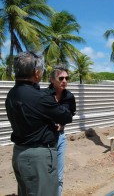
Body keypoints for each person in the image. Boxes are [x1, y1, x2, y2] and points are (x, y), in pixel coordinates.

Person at [5, 52, 73, 196]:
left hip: (20, 153)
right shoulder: (40, 97)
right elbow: (66, 116)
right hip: (38, 159)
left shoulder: (11, 94)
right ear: (36, 73)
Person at [43, 65, 76, 196]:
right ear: (52, 79)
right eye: (61, 78)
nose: (64, 81)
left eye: (66, 78)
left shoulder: (69, 96)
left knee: (59, 176)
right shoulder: (44, 95)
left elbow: (70, 113)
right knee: (46, 174)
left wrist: (62, 123)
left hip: (60, 137)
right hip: (45, 139)